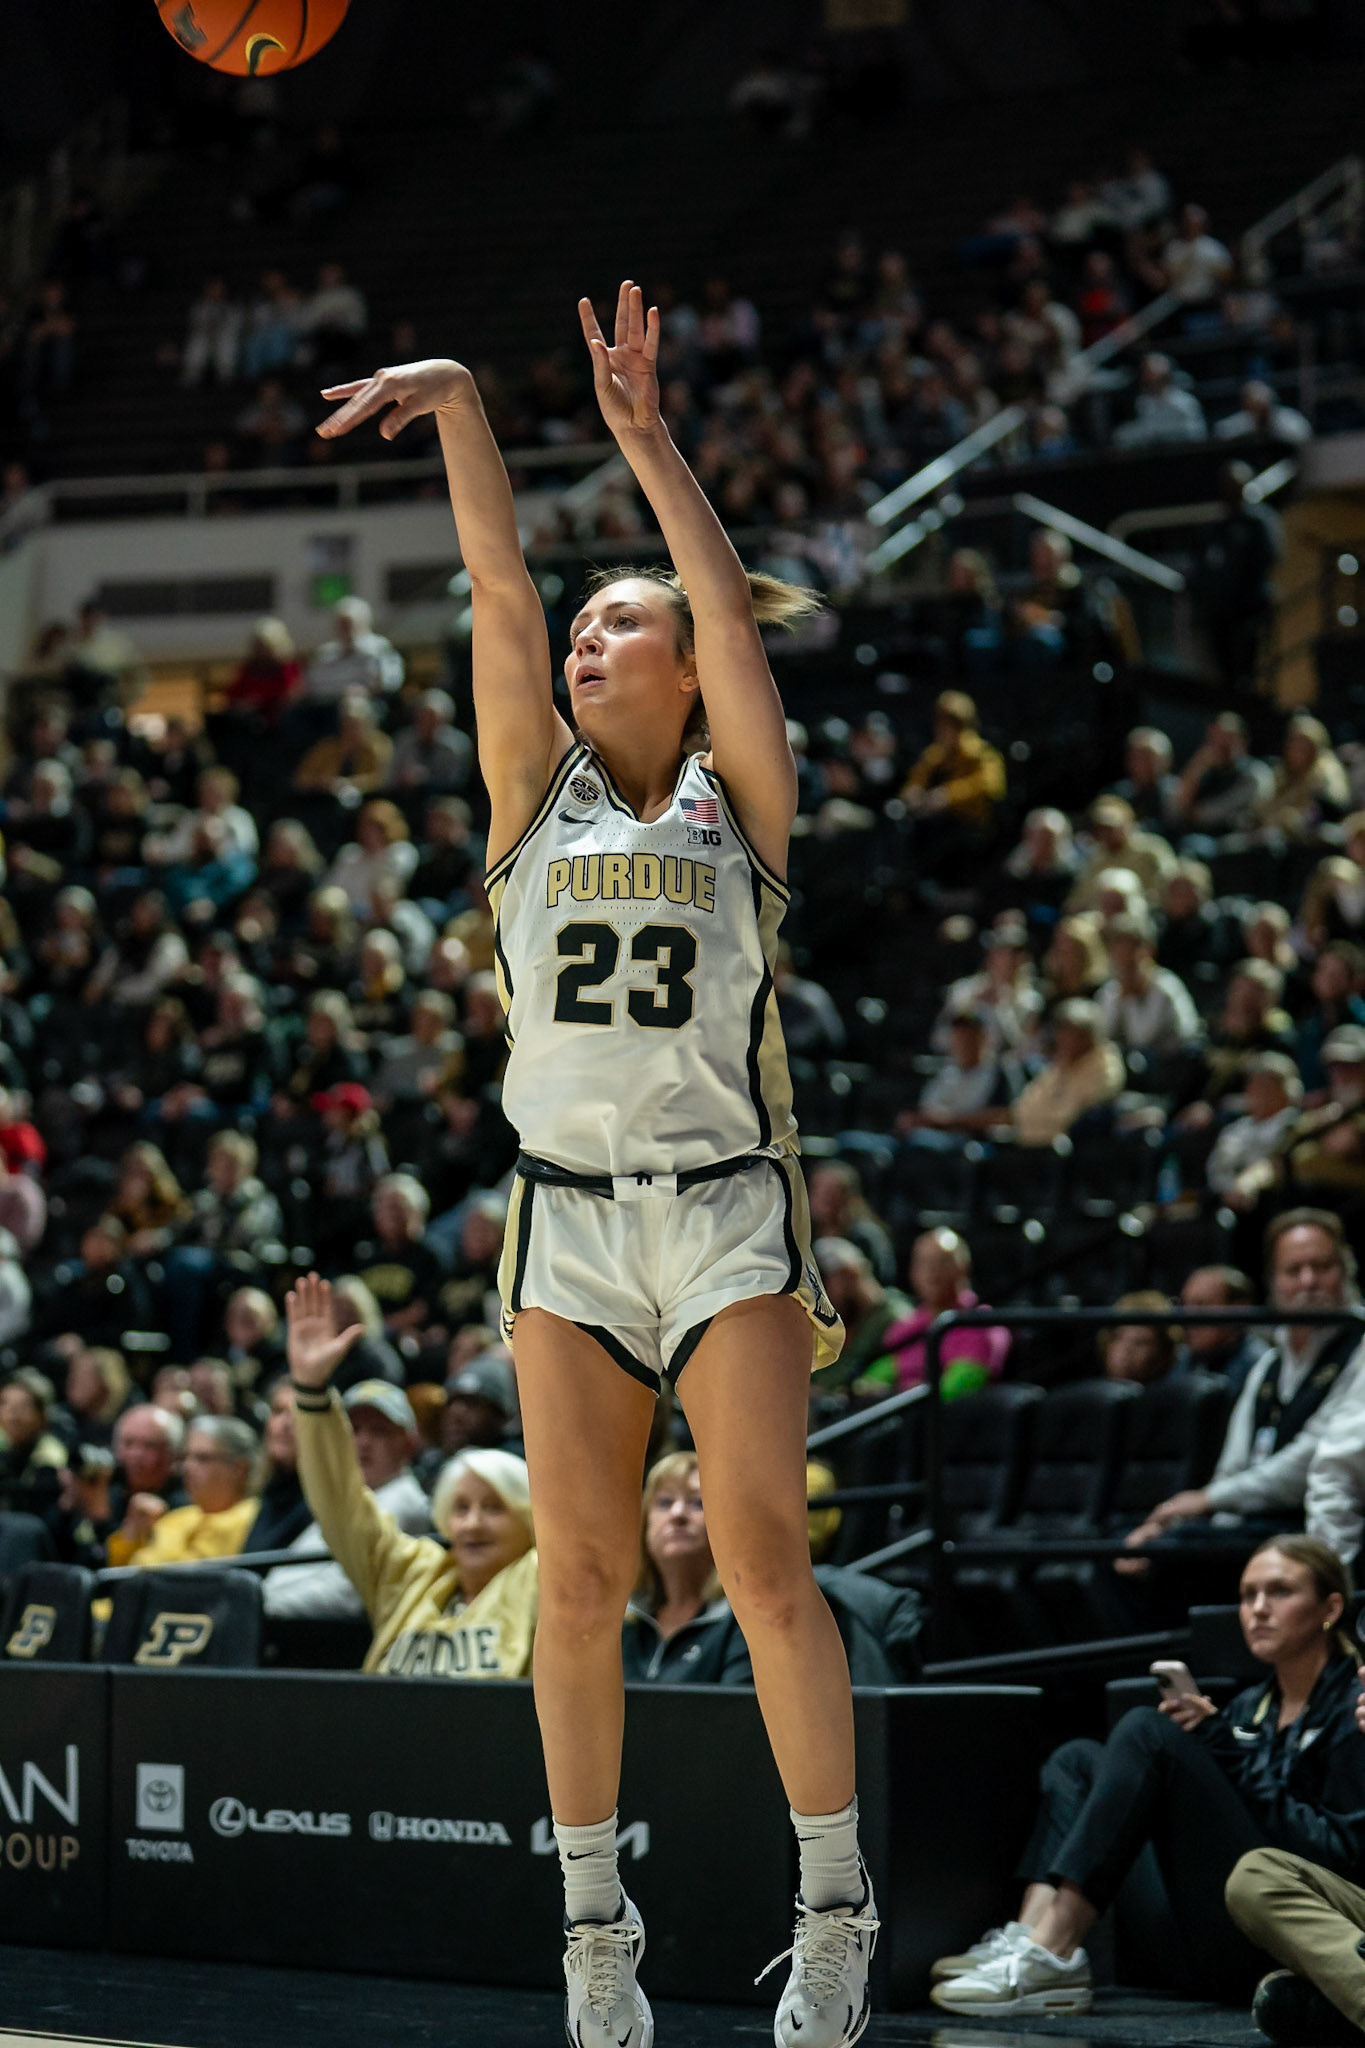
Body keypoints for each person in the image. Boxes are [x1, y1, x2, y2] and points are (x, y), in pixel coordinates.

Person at [316, 288, 873, 2048]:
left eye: (620, 625)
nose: (588, 640)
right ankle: (592, 1928)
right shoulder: (528, 801)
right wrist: (470, 400)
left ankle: (836, 1906)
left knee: (769, 1558)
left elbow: (717, 595)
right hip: (563, 1214)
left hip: (726, 1205)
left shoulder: (743, 803)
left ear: (690, 666)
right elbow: (495, 586)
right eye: (587, 627)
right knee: (577, 1575)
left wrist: (644, 442)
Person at [931, 1536, 1365, 2014]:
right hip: (1194, 1930)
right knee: (1078, 1759)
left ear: (1330, 1607)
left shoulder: (1355, 1709)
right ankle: (1032, 1938)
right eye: (1247, 1595)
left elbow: (1337, 1857)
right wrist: (1220, 1745)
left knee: (1145, 1729)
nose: (1258, 1609)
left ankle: (1054, 1955)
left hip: (1271, 1934)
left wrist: (1226, 1750)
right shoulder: (1250, 1705)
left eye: (1279, 1592)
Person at [284, 1277, 537, 1676]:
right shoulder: (410, 1575)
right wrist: (311, 1389)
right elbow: (341, 1505)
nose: (472, 1523)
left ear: (530, 1520)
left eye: (493, 1508)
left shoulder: (541, 1581)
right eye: (461, 1508)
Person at [1125, 1212, 1365, 1554]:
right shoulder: (1269, 1364)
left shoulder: (1360, 1350)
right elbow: (1233, 1465)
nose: (1309, 1282)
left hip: (1310, 1529)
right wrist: (1194, 1524)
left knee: (1165, 1556)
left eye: (1322, 1267)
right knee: (1130, 1545)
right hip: (1252, 1528)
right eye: (1294, 1271)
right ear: (1273, 1281)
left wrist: (1208, 1501)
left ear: (1347, 1271)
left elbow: (1312, 1461)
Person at [1225, 1680, 1365, 2045]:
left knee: (1292, 2002)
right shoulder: (1249, 1704)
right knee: (1256, 1875)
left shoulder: (1339, 1700)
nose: (1258, 1617)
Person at [261, 1378, 430, 1618]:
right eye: (353, 1429)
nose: (363, 1442)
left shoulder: (403, 1501)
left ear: (409, 1445)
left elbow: (347, 1594)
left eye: (379, 1431)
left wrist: (256, 1605)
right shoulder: (352, 1497)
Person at [622, 1451, 753, 1683]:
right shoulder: (622, 1618)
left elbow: (737, 1716)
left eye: (697, 1503)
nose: (678, 1513)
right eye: (665, 1502)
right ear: (644, 1525)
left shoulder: (742, 1620)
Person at [866, 1229, 1010, 1398]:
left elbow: (954, 1390)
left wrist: (897, 1392)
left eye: (942, 1262)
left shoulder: (982, 1325)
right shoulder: (906, 1326)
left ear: (964, 1269)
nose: (932, 1271)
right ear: (912, 1273)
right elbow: (871, 1381)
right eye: (923, 1263)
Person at [125, 1416, 259, 1566]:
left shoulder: (254, 1518)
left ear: (239, 1468)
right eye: (186, 1457)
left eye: (202, 1458)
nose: (187, 1467)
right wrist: (132, 1535)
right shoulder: (175, 1519)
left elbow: (189, 1576)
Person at [1174, 1266, 1262, 1394]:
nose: (1188, 1317)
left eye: (1201, 1305)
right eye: (1184, 1305)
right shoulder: (1182, 1360)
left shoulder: (1259, 1368)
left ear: (1238, 1310)